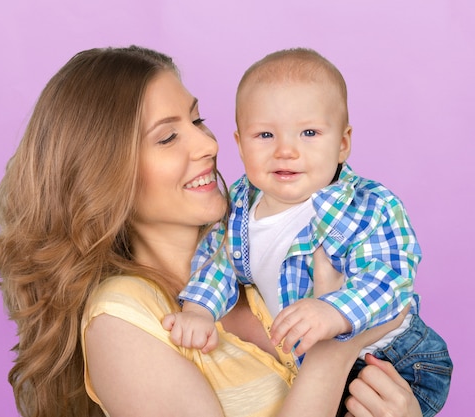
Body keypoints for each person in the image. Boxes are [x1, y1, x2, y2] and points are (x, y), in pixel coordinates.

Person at [0, 45, 424, 417]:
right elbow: (339, 345)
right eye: (167, 138)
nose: (209, 145)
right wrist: (333, 352)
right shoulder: (122, 320)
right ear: (103, 174)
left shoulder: (252, 246)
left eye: (196, 121)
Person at [166, 48, 453, 417]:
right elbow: (218, 262)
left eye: (309, 133)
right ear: (239, 145)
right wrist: (199, 311)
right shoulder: (238, 205)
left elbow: (390, 278)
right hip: (313, 368)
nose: (286, 151)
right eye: (266, 134)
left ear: (343, 144)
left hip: (394, 359)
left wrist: (332, 311)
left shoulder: (367, 206)